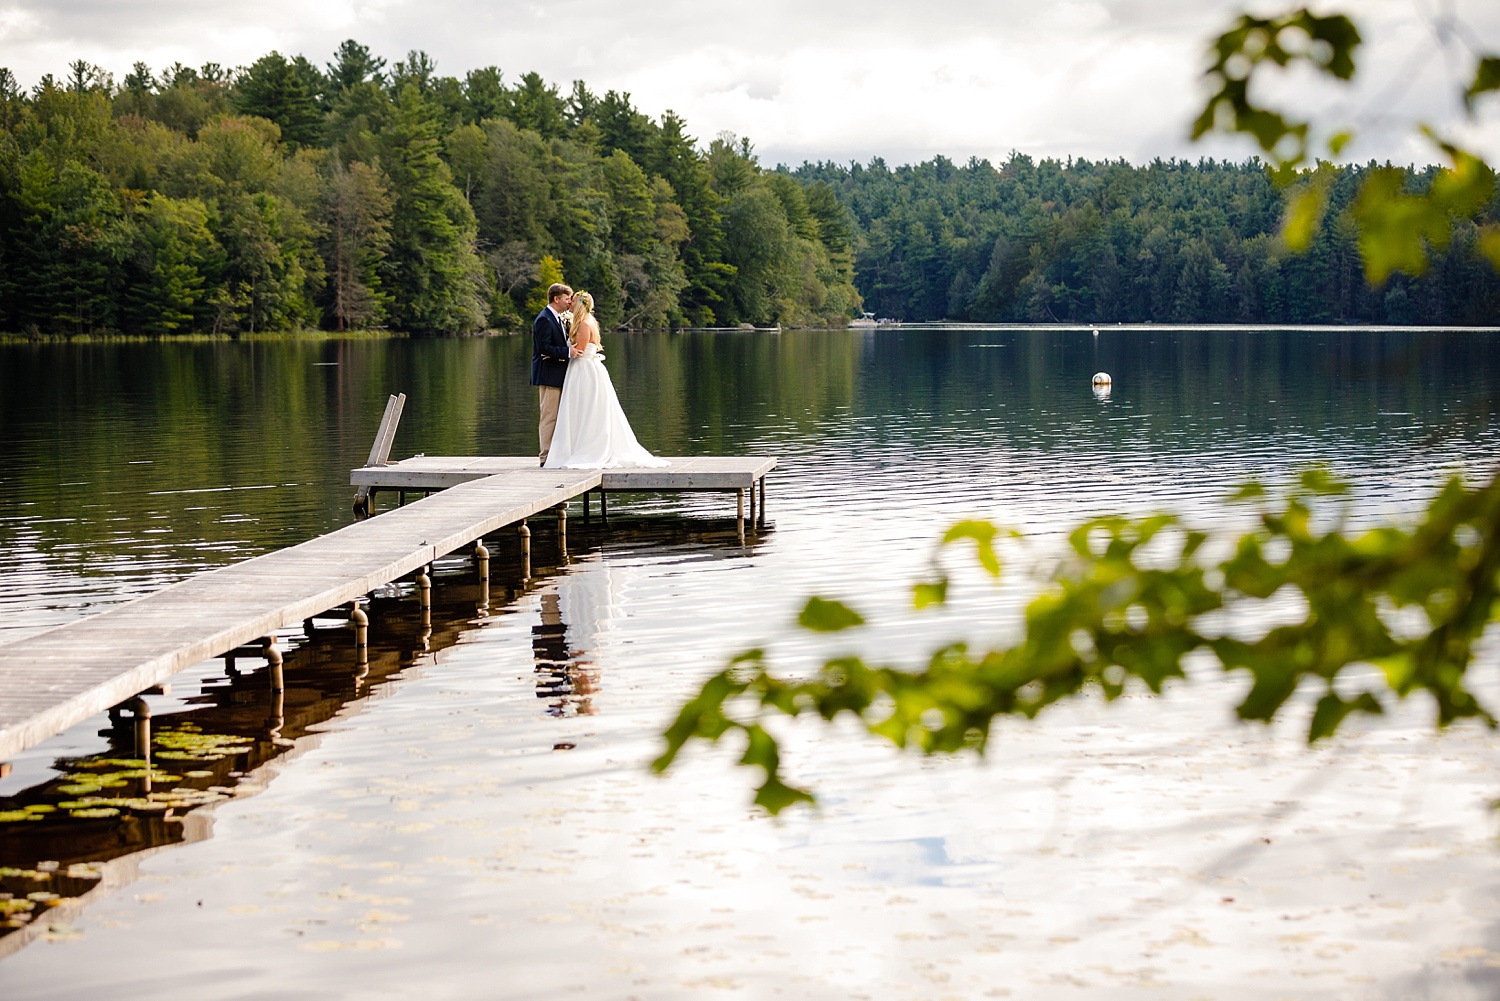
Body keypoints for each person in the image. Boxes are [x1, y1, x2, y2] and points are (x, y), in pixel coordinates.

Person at [543, 291, 670, 469]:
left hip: (583, 370)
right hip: (583, 368)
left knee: (586, 409)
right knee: (584, 409)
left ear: (579, 305)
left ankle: (587, 447)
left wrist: (555, 354)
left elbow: (578, 350)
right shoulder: (587, 322)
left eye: (572, 302)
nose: (569, 304)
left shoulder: (584, 325)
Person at [531, 283, 576, 465]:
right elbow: (543, 348)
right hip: (549, 375)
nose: (569, 302)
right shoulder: (544, 319)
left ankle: (555, 454)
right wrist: (568, 352)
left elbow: (551, 347)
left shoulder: (556, 318)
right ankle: (545, 457)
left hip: (557, 373)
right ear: (556, 299)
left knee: (557, 415)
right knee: (549, 416)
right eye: (567, 298)